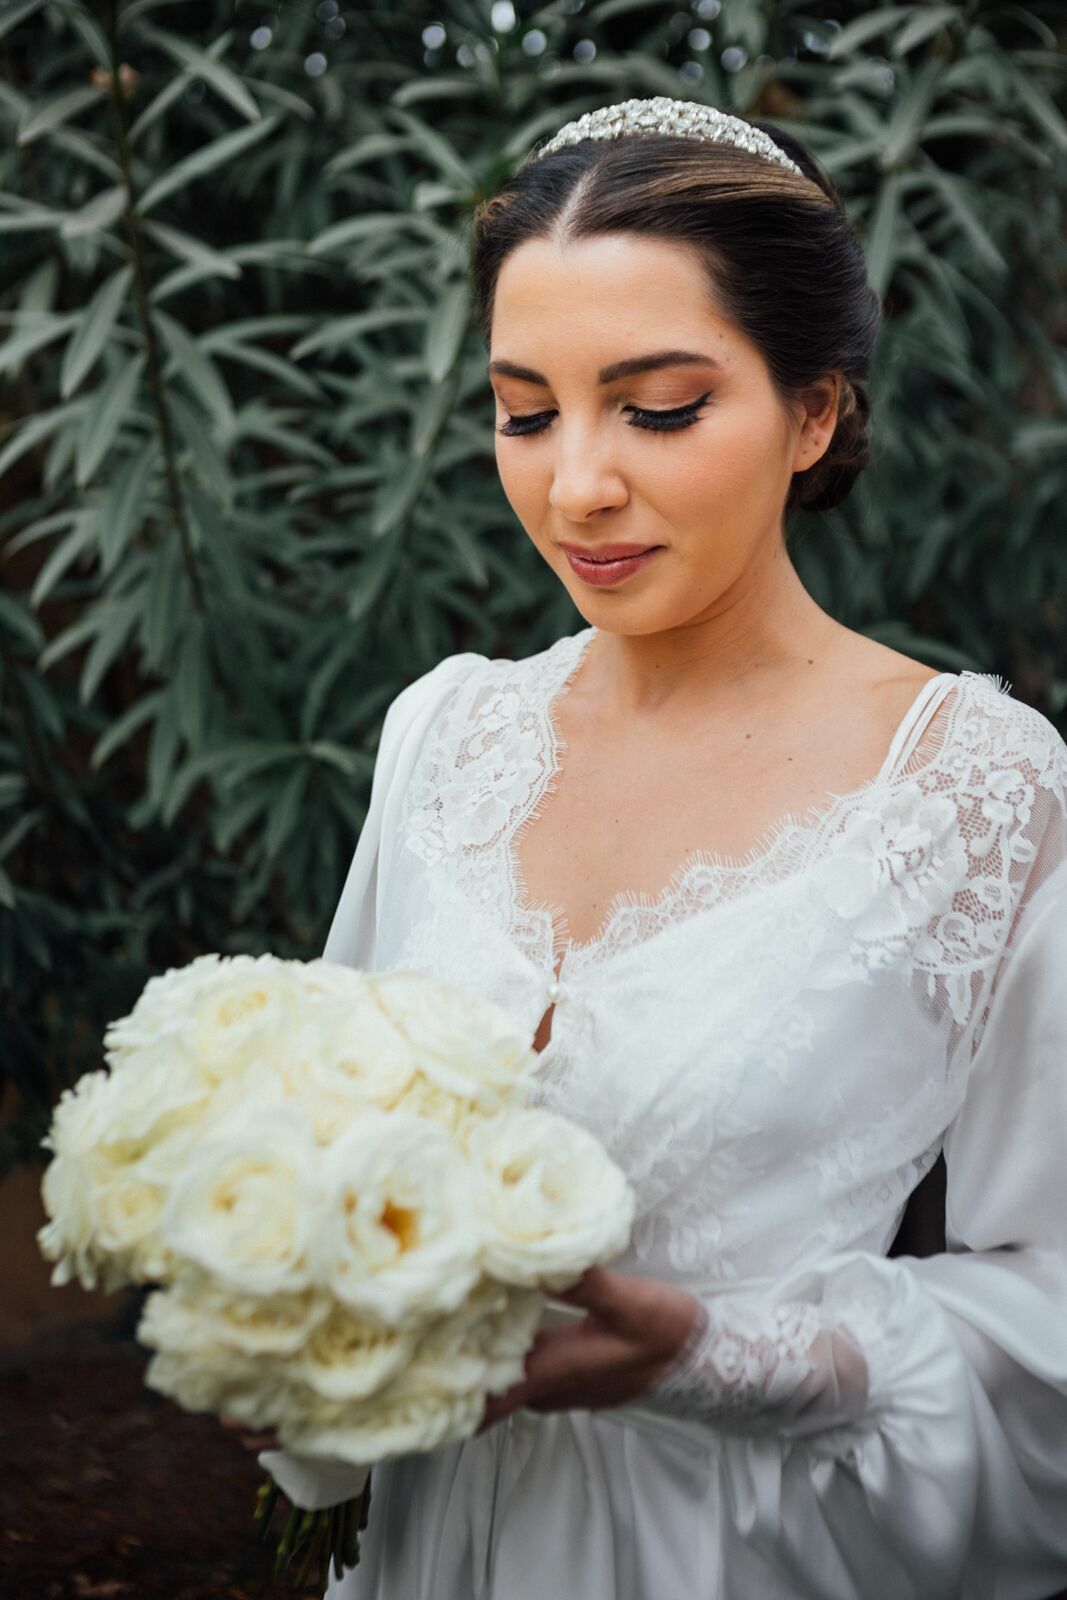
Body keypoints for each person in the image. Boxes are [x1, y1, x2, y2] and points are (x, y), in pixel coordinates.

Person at [254, 98, 1067, 1599]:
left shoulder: (976, 788)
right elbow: (317, 1141)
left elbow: (1055, 1311)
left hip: (752, 1549)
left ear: (814, 410)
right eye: (524, 410)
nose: (576, 486)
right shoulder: (445, 738)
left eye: (661, 407)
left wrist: (707, 1354)